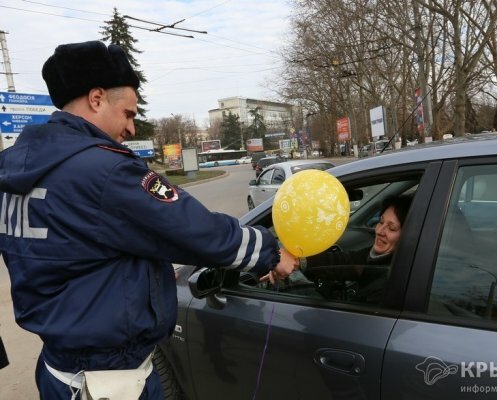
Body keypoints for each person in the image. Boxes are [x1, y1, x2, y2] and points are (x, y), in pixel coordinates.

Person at [0, 40, 297, 399]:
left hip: (61, 370)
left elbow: (76, 255)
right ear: (96, 98)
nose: (130, 129)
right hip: (109, 382)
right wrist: (269, 251)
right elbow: (194, 229)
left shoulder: (18, 168)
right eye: (128, 113)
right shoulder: (102, 170)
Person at [301, 195, 411, 295]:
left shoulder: (390, 282)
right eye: (381, 222)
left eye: (392, 228)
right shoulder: (375, 257)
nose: (379, 231)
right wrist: (301, 260)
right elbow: (345, 262)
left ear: (408, 236)